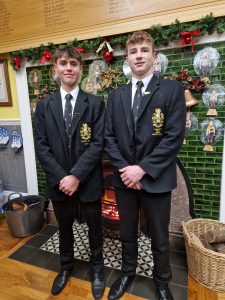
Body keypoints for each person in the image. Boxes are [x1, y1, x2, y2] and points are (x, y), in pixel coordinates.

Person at [105, 31, 186, 300]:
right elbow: (108, 137)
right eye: (133, 51)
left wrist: (143, 169)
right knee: (127, 231)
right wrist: (127, 170)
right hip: (124, 179)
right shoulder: (115, 96)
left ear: (154, 56)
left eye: (143, 50)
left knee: (160, 236)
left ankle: (162, 282)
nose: (138, 55)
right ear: (127, 58)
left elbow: (174, 137)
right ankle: (127, 272)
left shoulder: (172, 90)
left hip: (156, 178)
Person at [34, 45, 105, 299]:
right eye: (64, 63)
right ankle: (65, 267)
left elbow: (98, 144)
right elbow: (41, 146)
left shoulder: (95, 104)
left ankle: (97, 269)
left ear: (80, 68)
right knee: (63, 227)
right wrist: (63, 178)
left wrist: (76, 175)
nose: (68, 68)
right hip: (58, 182)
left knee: (95, 229)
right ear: (56, 68)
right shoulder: (43, 106)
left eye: (73, 64)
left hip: (88, 181)